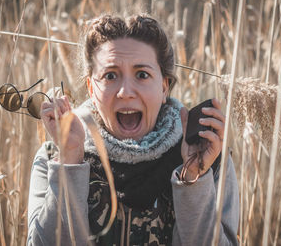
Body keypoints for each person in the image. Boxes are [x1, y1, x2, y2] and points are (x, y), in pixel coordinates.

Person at [27, 14, 239, 246]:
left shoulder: (208, 155)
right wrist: (69, 160)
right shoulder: (52, 158)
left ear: (164, 86)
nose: (125, 91)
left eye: (142, 75)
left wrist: (193, 177)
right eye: (110, 76)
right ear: (90, 87)